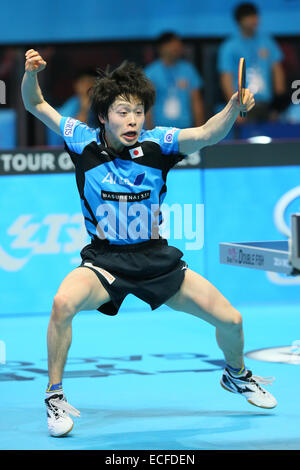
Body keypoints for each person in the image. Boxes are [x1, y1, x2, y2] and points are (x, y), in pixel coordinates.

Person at [22, 48, 277, 438]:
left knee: (232, 320)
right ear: (104, 115)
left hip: (156, 259)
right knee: (62, 304)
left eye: (139, 111)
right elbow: (36, 103)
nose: (133, 120)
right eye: (123, 111)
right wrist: (30, 73)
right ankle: (54, 396)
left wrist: (232, 108)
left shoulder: (159, 145)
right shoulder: (82, 141)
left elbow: (207, 134)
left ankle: (237, 375)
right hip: (105, 263)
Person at [217, 2, 286, 122]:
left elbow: (277, 71)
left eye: (256, 16)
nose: (255, 20)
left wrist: (278, 105)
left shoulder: (268, 42)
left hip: (267, 104)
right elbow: (226, 78)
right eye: (250, 16)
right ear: (240, 21)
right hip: (243, 106)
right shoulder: (229, 46)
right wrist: (234, 109)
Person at [144, 32, 205, 130]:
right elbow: (147, 106)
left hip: (185, 129)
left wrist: (200, 131)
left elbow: (196, 101)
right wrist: (149, 134)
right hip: (159, 130)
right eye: (171, 45)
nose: (176, 48)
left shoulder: (188, 70)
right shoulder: (150, 73)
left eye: (178, 45)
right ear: (161, 48)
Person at [47, 68, 98, 145]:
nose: (88, 87)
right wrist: (84, 110)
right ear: (76, 85)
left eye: (91, 82)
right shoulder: (67, 109)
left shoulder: (104, 105)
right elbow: (72, 136)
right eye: (84, 82)